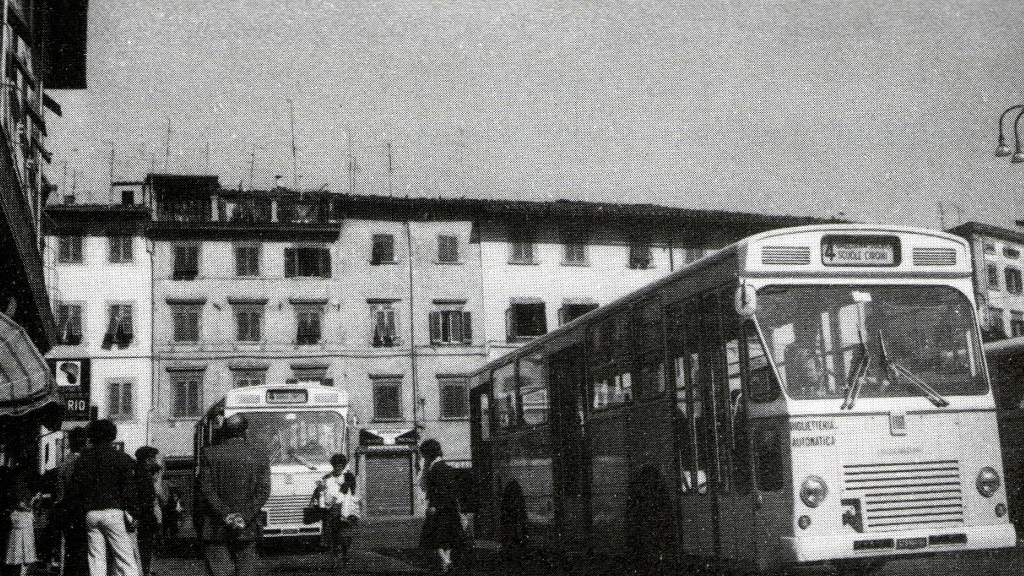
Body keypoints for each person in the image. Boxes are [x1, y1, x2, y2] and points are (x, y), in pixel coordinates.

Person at [196, 414, 270, 576]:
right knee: (246, 571)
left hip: (216, 527)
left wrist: (226, 514)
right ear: (246, 431)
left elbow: (205, 488)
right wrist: (243, 516)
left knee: (220, 572)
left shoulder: (209, 454)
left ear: (224, 431)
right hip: (248, 527)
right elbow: (263, 491)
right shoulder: (260, 455)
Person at [66, 419, 141, 576]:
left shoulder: (83, 459)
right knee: (125, 559)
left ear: (92, 435)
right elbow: (130, 488)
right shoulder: (121, 458)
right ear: (112, 435)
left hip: (91, 514)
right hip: (114, 512)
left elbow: (75, 489)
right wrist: (132, 512)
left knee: (96, 560)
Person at [418, 439, 467, 575]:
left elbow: (426, 487)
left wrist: (433, 506)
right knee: (449, 537)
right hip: (450, 508)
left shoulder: (435, 469)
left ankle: (445, 561)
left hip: (438, 509)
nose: (423, 457)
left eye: (423, 455)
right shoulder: (445, 466)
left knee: (434, 538)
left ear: (428, 454)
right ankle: (447, 561)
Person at [312, 454, 360, 568]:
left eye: (341, 465)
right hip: (330, 512)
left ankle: (344, 555)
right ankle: (334, 561)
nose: (339, 467)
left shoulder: (348, 477)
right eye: (336, 465)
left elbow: (354, 493)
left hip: (344, 511)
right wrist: (320, 492)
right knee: (331, 538)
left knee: (344, 536)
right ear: (333, 466)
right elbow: (318, 494)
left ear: (343, 466)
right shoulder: (326, 478)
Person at [54, 426, 89, 576]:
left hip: (69, 512)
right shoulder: (85, 462)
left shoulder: (63, 463)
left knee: (71, 551)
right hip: (84, 511)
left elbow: (60, 495)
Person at [134, 446, 167, 576]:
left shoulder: (137, 472)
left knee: (143, 546)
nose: (156, 461)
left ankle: (144, 570)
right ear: (148, 460)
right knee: (145, 546)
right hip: (144, 517)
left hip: (140, 516)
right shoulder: (144, 475)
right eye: (154, 458)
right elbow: (148, 498)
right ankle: (145, 571)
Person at [5, 489, 37, 576]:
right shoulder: (15, 514)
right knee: (18, 557)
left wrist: (32, 501)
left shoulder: (28, 514)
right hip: (18, 538)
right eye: (21, 502)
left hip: (25, 537)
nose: (22, 504)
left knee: (25, 558)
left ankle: (23, 571)